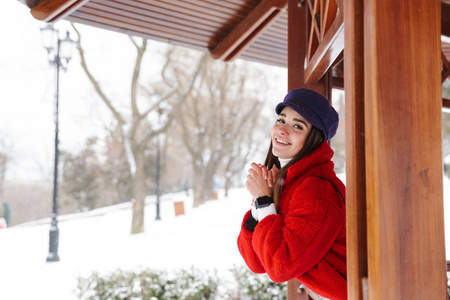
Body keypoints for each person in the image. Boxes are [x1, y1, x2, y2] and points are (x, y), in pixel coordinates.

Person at [237, 88, 347, 300]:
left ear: (314, 138)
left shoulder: (317, 190)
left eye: (298, 125)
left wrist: (264, 201)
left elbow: (281, 267)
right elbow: (257, 262)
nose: (282, 130)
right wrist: (260, 205)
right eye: (281, 120)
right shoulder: (289, 181)